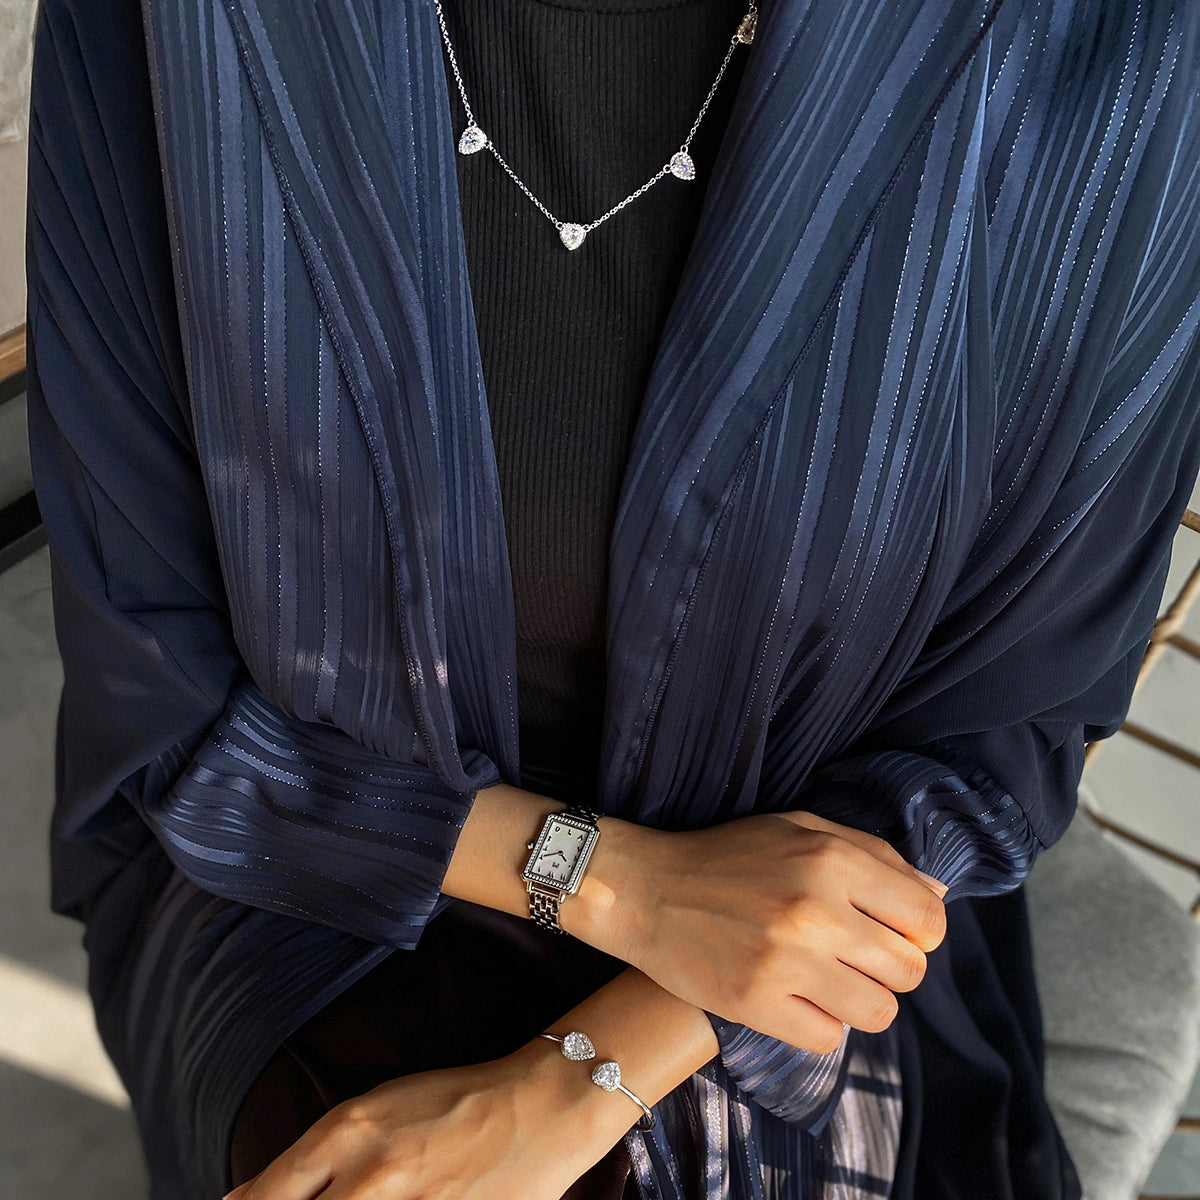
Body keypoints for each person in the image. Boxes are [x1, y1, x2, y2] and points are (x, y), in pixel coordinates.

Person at [23, 0, 1200, 1197]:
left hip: (820, 885)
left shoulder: (1107, 42)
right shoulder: (185, 29)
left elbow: (1006, 726)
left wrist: (576, 1080)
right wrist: (621, 886)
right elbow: (164, 696)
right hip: (322, 858)